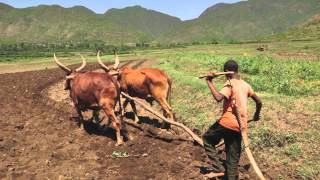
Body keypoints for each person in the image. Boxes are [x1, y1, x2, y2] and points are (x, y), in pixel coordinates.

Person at [203, 60, 262, 179]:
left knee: (207, 139)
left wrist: (209, 81)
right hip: (240, 126)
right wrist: (256, 115)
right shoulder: (246, 84)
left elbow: (218, 98)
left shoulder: (230, 83)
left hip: (226, 123)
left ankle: (218, 168)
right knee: (232, 157)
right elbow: (259, 102)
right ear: (237, 70)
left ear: (226, 72)